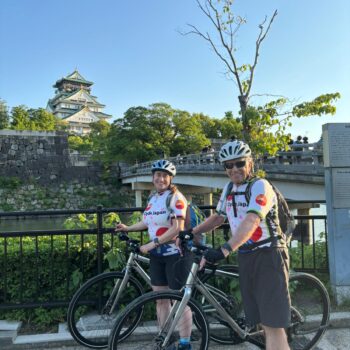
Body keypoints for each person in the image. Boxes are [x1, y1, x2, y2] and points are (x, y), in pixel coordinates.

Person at [186, 140, 291, 350]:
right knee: (261, 321)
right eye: (228, 165)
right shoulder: (229, 189)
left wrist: (225, 248)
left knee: (273, 326)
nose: (234, 169)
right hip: (246, 254)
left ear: (250, 163)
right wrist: (191, 232)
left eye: (239, 163)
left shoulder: (260, 185)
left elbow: (252, 220)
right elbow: (218, 218)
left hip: (268, 254)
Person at [115, 159, 193, 350]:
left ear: (170, 178)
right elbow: (147, 223)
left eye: (165, 175)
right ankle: (164, 339)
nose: (161, 178)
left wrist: (152, 244)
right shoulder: (153, 198)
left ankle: (185, 343)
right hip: (157, 256)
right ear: (152, 177)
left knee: (179, 300)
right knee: (160, 299)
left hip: (176, 254)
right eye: (158, 175)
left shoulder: (175, 197)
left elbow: (177, 228)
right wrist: (128, 228)